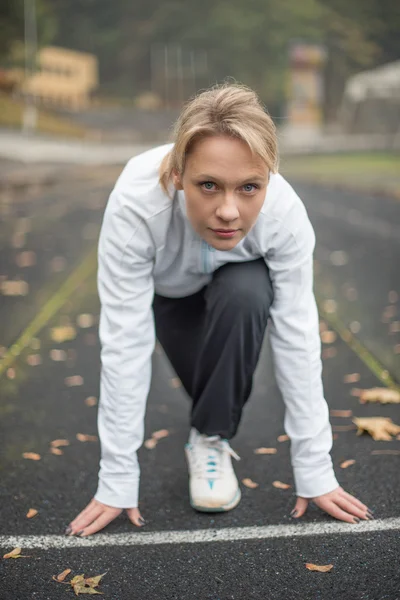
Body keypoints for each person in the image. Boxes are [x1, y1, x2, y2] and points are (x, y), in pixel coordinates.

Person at [65, 82, 374, 537]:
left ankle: (209, 439)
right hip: (167, 293)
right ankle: (212, 418)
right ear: (177, 175)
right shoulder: (135, 202)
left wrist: (314, 468)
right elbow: (125, 340)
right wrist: (117, 477)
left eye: (249, 187)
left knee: (246, 294)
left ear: (268, 178)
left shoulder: (284, 215)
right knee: (218, 386)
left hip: (238, 290)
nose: (229, 211)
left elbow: (298, 334)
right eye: (208, 185)